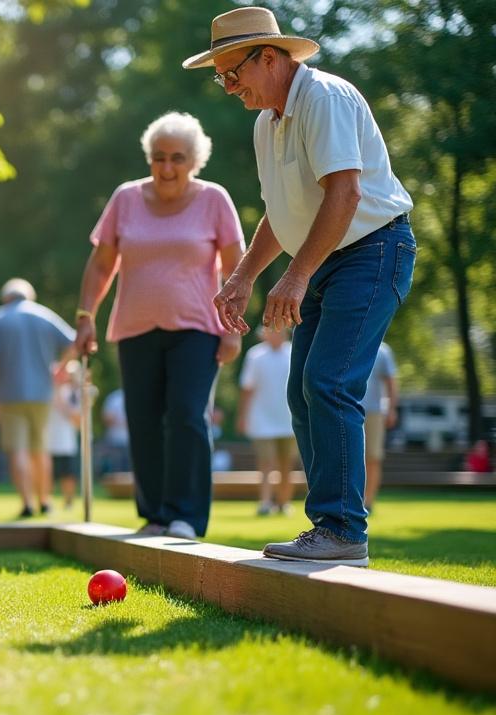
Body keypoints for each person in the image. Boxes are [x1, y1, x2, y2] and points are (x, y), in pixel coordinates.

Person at [197, 7, 416, 566]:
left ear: (269, 57)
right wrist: (244, 275)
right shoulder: (266, 120)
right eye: (220, 77)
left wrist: (296, 275)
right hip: (328, 259)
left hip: (373, 251)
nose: (227, 87)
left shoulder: (324, 99)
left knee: (329, 382)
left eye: (231, 73)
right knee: (302, 391)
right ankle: (329, 528)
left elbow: (343, 195)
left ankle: (344, 531)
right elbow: (282, 211)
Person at [74, 112, 245, 540]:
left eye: (177, 158)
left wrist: (233, 328)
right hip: (134, 327)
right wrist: (84, 317)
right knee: (143, 420)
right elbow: (100, 266)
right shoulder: (126, 199)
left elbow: (236, 269)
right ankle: (154, 514)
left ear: (195, 160)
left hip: (198, 327)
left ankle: (185, 515)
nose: (167, 168)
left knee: (187, 415)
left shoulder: (214, 200)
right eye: (158, 158)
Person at [0, 278, 74, 519]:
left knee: (17, 450)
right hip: (43, 394)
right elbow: (74, 341)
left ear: (6, 298)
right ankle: (45, 501)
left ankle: (27, 503)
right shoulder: (45, 316)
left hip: (9, 395)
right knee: (41, 450)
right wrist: (61, 369)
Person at [237, 326, 296, 516]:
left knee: (287, 463)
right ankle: (265, 502)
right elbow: (247, 388)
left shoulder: (294, 352)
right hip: (261, 418)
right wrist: (243, 416)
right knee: (266, 462)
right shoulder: (255, 356)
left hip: (290, 418)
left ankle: (284, 503)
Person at [363, 341, 398, 510]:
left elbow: (391, 381)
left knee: (373, 457)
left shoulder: (382, 350)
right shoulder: (348, 342)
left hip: (374, 412)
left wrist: (391, 409)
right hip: (347, 410)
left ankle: (368, 502)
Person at [47, 360, 82, 511]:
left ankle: (68, 502)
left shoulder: (75, 393)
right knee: (48, 474)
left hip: (67, 442)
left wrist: (62, 403)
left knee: (68, 474)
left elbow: (77, 420)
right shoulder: (47, 390)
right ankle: (46, 502)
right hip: (47, 441)